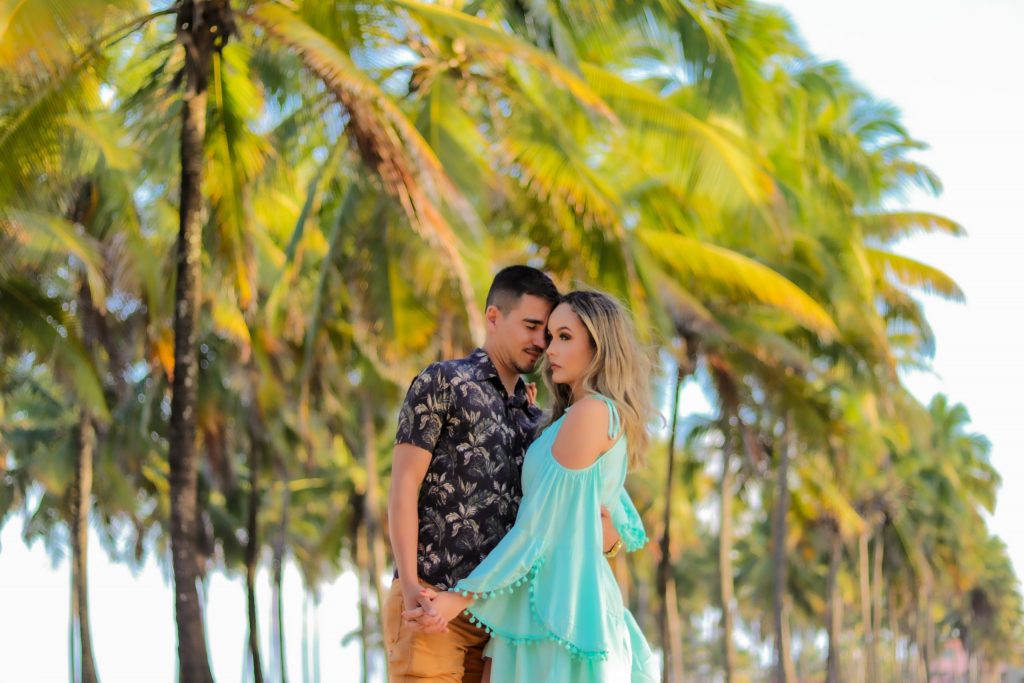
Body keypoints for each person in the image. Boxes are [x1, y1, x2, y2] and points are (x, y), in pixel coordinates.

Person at [404, 290, 659, 683]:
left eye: (564, 337)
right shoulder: (574, 417)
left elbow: (537, 529)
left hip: (561, 617)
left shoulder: (592, 413)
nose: (548, 348)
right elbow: (617, 514)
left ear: (599, 345)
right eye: (549, 335)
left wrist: (459, 597)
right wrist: (607, 538)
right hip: (536, 606)